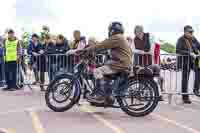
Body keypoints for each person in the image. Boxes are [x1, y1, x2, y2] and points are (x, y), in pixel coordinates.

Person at [82, 22, 132, 103]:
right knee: (104, 70)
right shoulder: (121, 38)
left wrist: (88, 49)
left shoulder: (117, 37)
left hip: (120, 64)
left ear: (113, 30)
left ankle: (101, 95)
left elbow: (102, 44)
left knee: (97, 71)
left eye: (110, 29)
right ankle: (108, 95)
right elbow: (106, 47)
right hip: (122, 63)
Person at [176, 25, 200, 104]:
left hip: (194, 61)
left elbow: (199, 46)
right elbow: (178, 50)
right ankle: (185, 97)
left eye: (192, 32)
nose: (191, 33)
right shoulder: (180, 40)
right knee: (185, 79)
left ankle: (196, 89)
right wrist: (189, 53)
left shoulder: (194, 39)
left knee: (198, 72)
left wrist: (196, 53)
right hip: (185, 61)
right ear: (185, 32)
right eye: (190, 32)